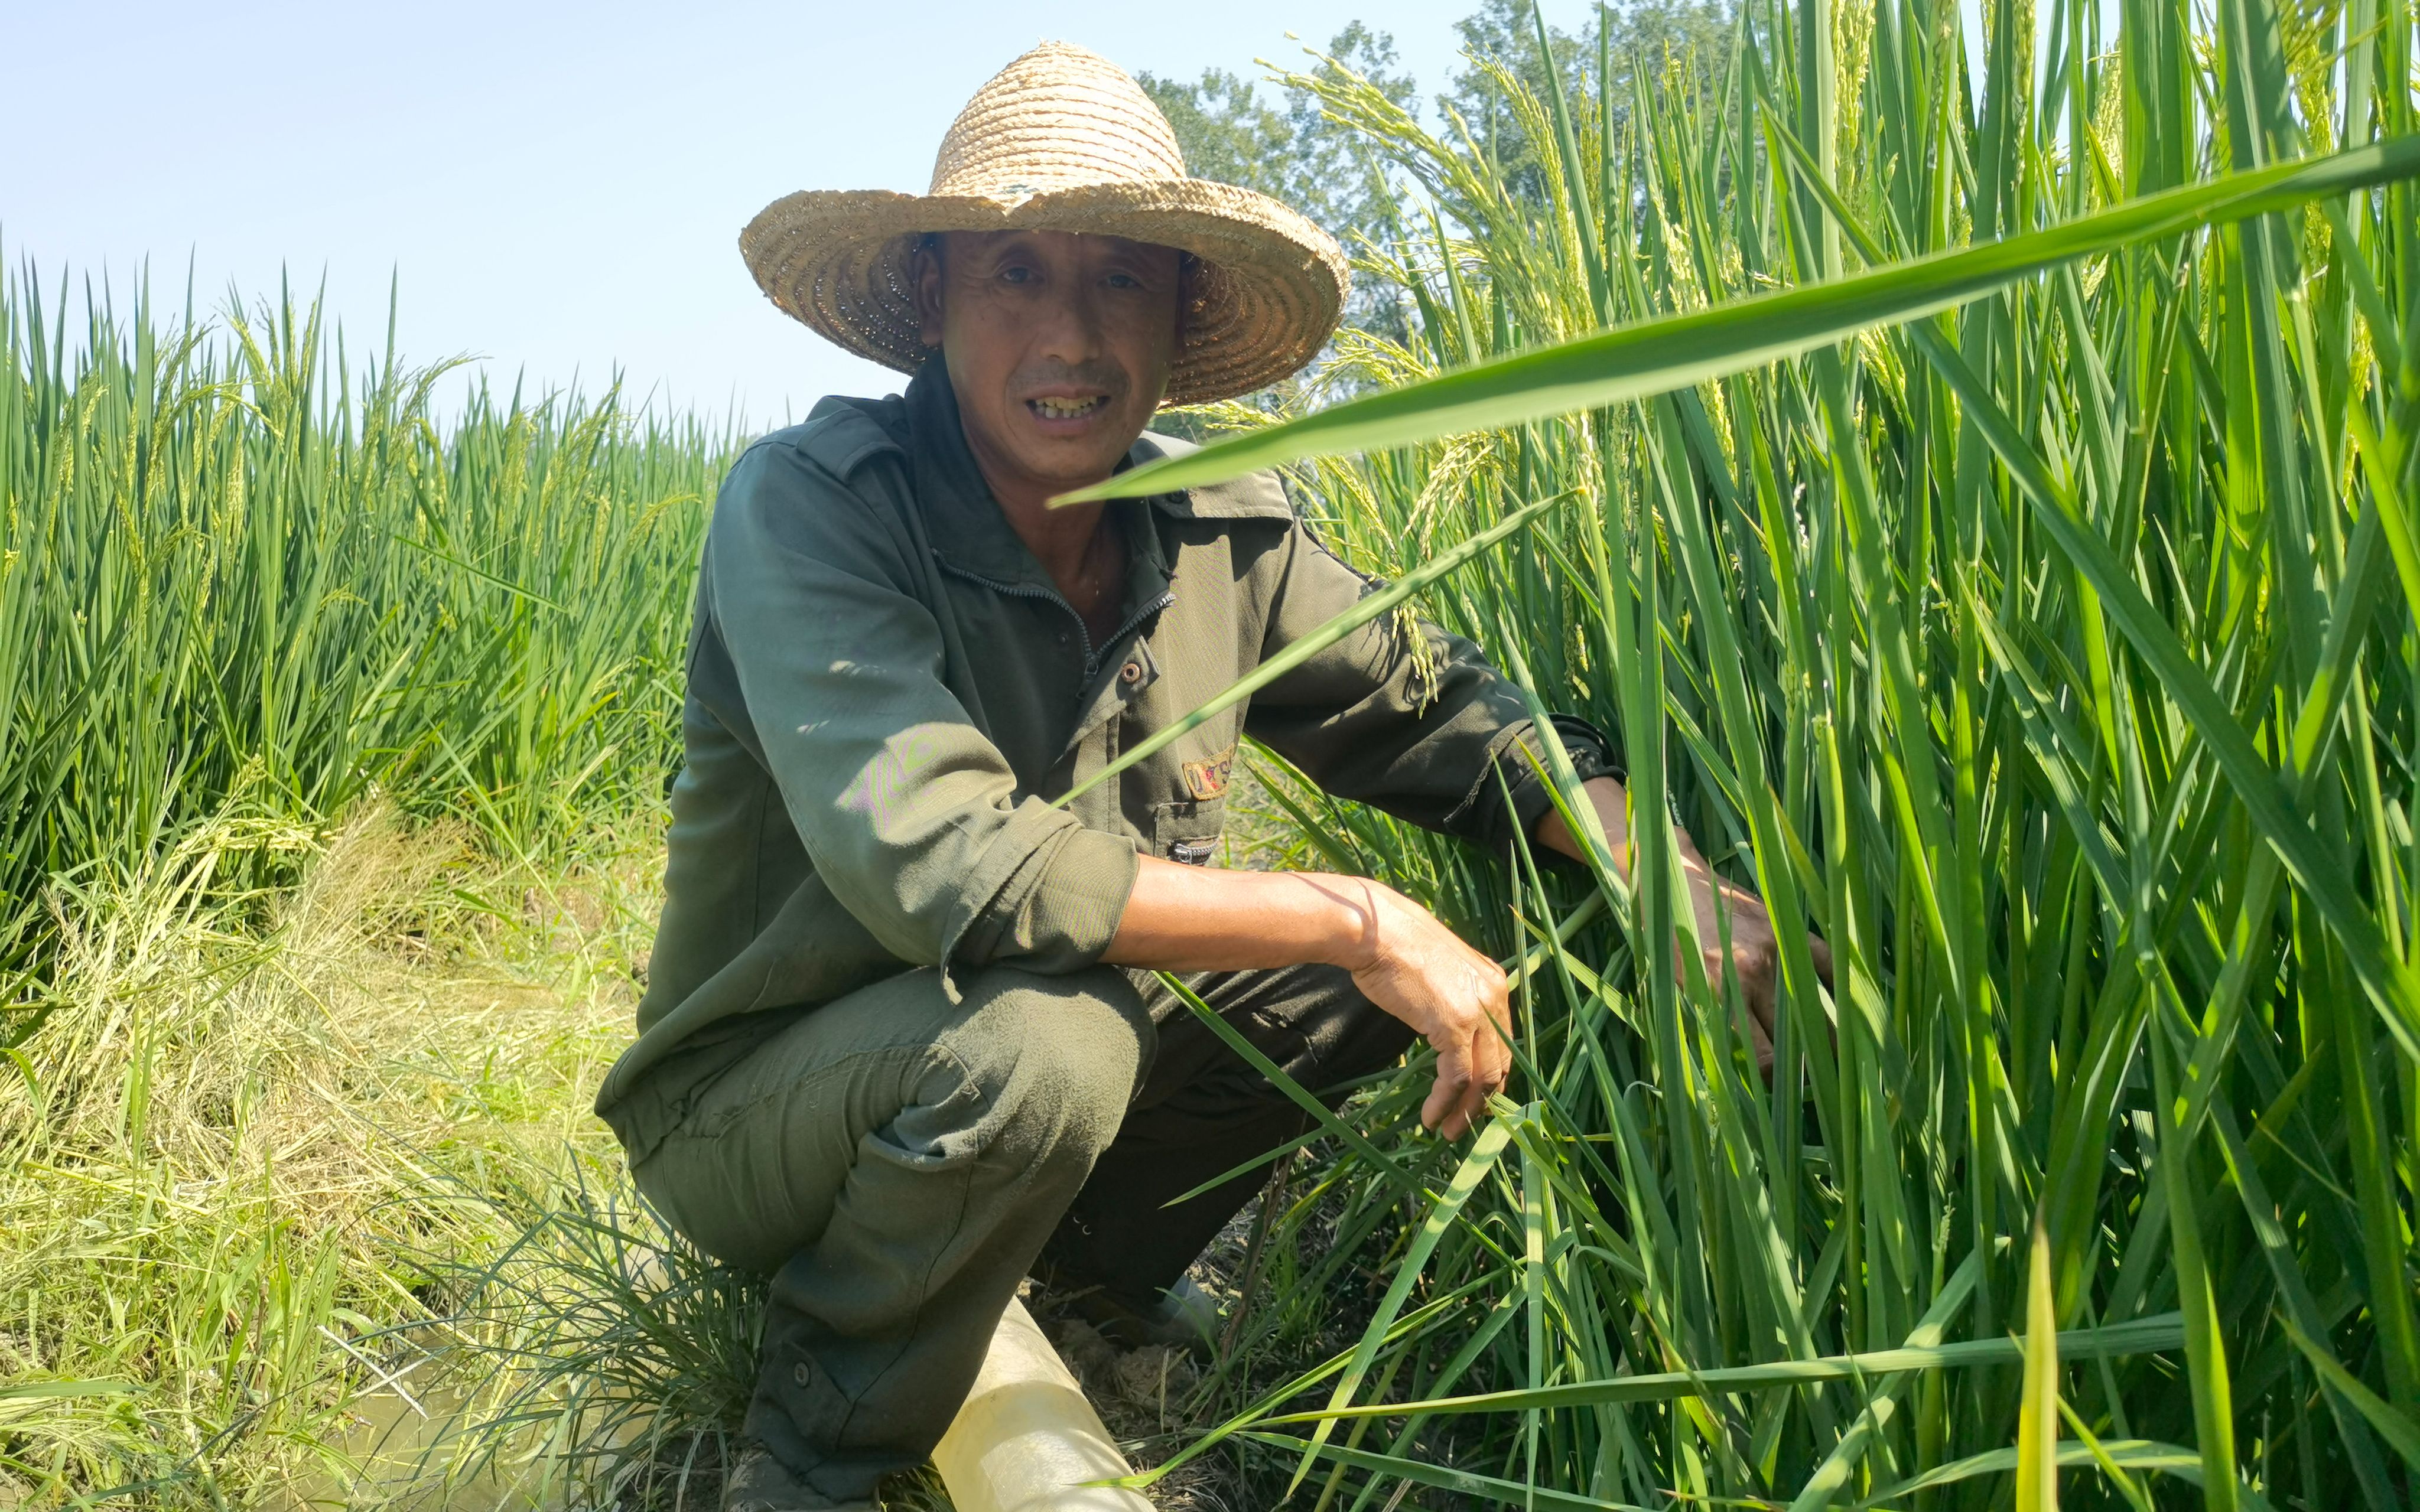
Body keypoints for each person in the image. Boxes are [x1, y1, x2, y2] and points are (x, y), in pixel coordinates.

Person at [595, 40, 1804, 1512]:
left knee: (1277, 991)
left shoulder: (1219, 531)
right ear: (932, 300)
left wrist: (1661, 874)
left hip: (1000, 1070)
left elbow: (1444, 711)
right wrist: (1361, 913)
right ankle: (810, 1452)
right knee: (1062, 1041)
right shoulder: (812, 509)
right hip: (760, 1109)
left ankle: (1083, 1288)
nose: (1071, 336)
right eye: (1016, 276)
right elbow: (950, 865)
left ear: (1178, 315)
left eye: (1119, 280)